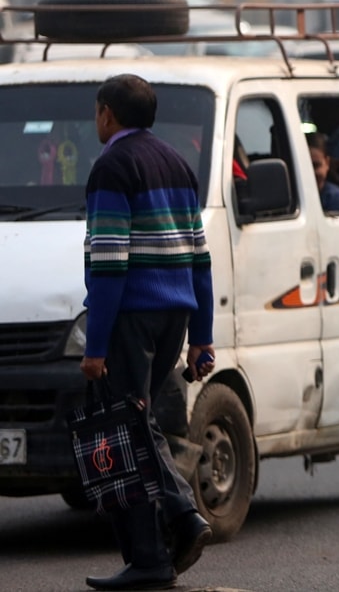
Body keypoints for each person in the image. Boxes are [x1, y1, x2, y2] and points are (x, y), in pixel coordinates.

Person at [80, 74, 214, 589]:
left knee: (129, 428)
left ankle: (177, 522)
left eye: (97, 112)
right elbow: (199, 258)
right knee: (139, 424)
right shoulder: (177, 163)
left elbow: (109, 261)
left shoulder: (112, 166)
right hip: (174, 315)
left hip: (132, 316)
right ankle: (154, 551)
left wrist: (95, 346)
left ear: (107, 114)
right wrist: (201, 336)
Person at [305, 132, 339, 213]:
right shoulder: (291, 201)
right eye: (305, 166)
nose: (311, 173)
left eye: (316, 166)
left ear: (327, 163)